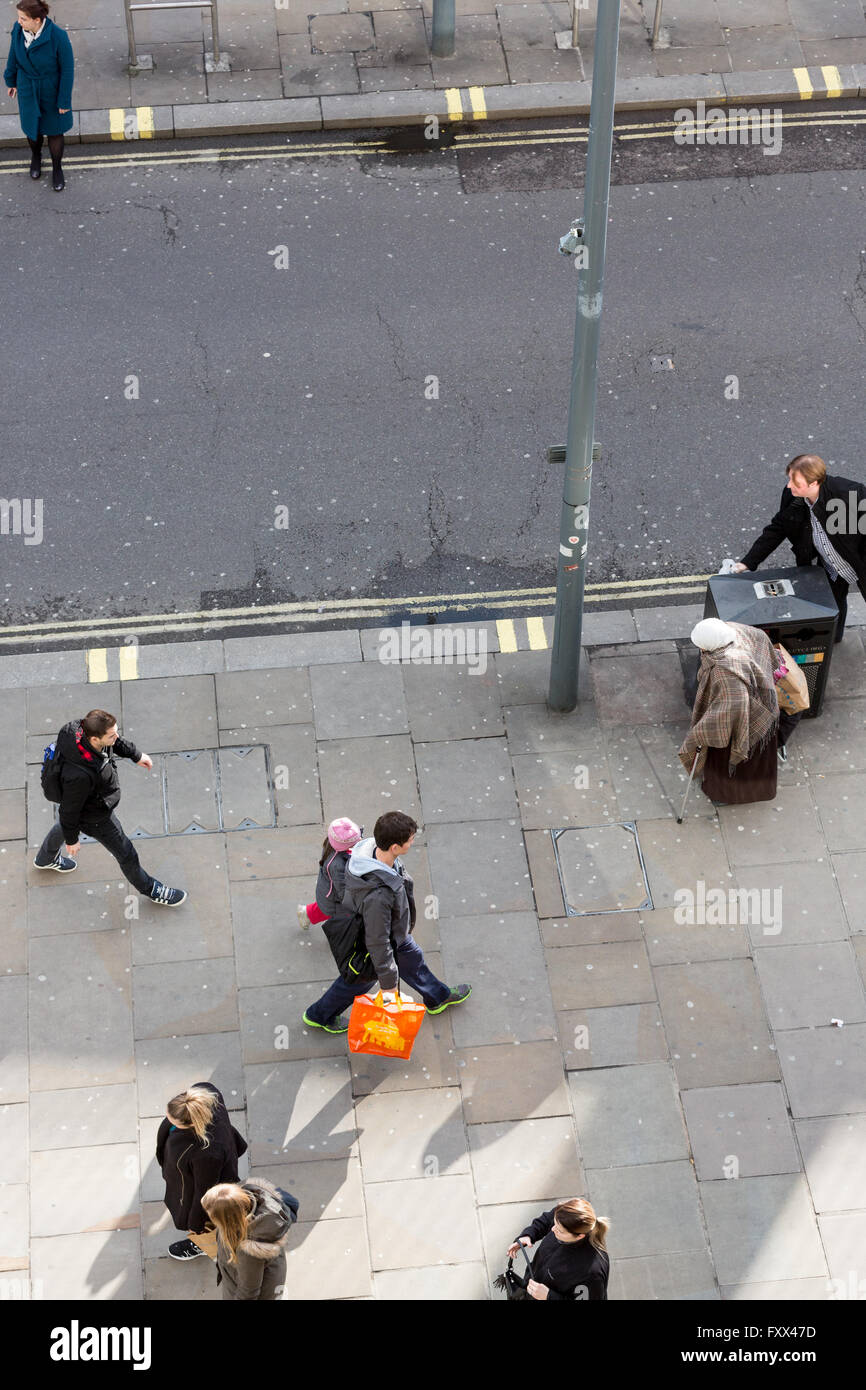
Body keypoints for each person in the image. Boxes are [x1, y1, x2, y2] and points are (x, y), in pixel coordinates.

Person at [302, 810, 471, 1034]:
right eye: (410, 841)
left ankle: (437, 997)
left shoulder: (373, 849)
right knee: (357, 981)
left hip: (397, 933)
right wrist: (389, 986)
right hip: (384, 940)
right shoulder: (378, 896)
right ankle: (319, 1015)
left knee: (413, 960)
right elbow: (377, 940)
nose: (412, 843)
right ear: (394, 847)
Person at [33, 709, 187, 906]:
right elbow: (68, 811)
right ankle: (151, 889)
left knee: (68, 823)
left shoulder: (81, 730)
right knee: (126, 853)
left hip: (86, 803)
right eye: (112, 735)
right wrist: (72, 841)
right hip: (96, 817)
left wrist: (135, 754)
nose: (116, 737)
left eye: (116, 732)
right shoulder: (79, 776)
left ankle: (45, 857)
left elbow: (115, 742)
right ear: (95, 739)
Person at [734, 453, 866, 644]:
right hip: (830, 565)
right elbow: (778, 528)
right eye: (790, 479)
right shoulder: (792, 497)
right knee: (833, 603)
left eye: (796, 483)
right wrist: (748, 562)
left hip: (859, 562)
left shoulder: (849, 494)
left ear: (814, 483)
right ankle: (832, 639)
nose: (789, 486)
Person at [679, 618, 780, 805]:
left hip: (745, 719)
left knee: (729, 761)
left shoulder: (725, 673)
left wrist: (698, 734)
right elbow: (765, 646)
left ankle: (728, 795)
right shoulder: (739, 631)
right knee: (756, 762)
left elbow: (729, 713)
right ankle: (755, 789)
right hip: (764, 705)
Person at [156, 1082, 248, 1261]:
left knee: (207, 1216)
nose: (168, 1119)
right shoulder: (205, 1091)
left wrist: (195, 1224)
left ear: (192, 1123)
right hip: (195, 1165)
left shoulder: (207, 1155)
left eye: (173, 1120)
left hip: (200, 1177)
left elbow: (203, 1193)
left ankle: (201, 1243)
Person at [4, 1, 73, 191]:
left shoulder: (58, 36)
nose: (19, 22)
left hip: (51, 90)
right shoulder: (18, 31)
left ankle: (57, 168)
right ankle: (36, 157)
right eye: (18, 17)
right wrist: (11, 81)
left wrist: (64, 100)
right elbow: (13, 56)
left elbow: (67, 70)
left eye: (23, 19)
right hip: (27, 86)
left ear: (37, 20)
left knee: (54, 131)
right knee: (32, 129)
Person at [200, 1179, 293, 1301]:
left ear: (227, 1219)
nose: (209, 1217)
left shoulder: (249, 1251)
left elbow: (248, 1292)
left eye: (212, 1215)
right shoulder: (248, 1210)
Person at [506, 1199, 610, 1301]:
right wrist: (529, 1234)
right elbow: (547, 1220)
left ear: (580, 1236)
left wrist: (548, 1296)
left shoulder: (592, 1273)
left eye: (560, 1231)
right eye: (555, 1223)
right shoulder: (564, 1216)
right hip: (532, 1288)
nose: (552, 1229)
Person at [296, 816, 362, 931]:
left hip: (327, 892)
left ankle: (306, 913)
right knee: (334, 914)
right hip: (334, 899)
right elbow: (342, 891)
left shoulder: (332, 844)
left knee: (324, 909)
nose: (360, 841)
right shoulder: (336, 866)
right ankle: (307, 915)